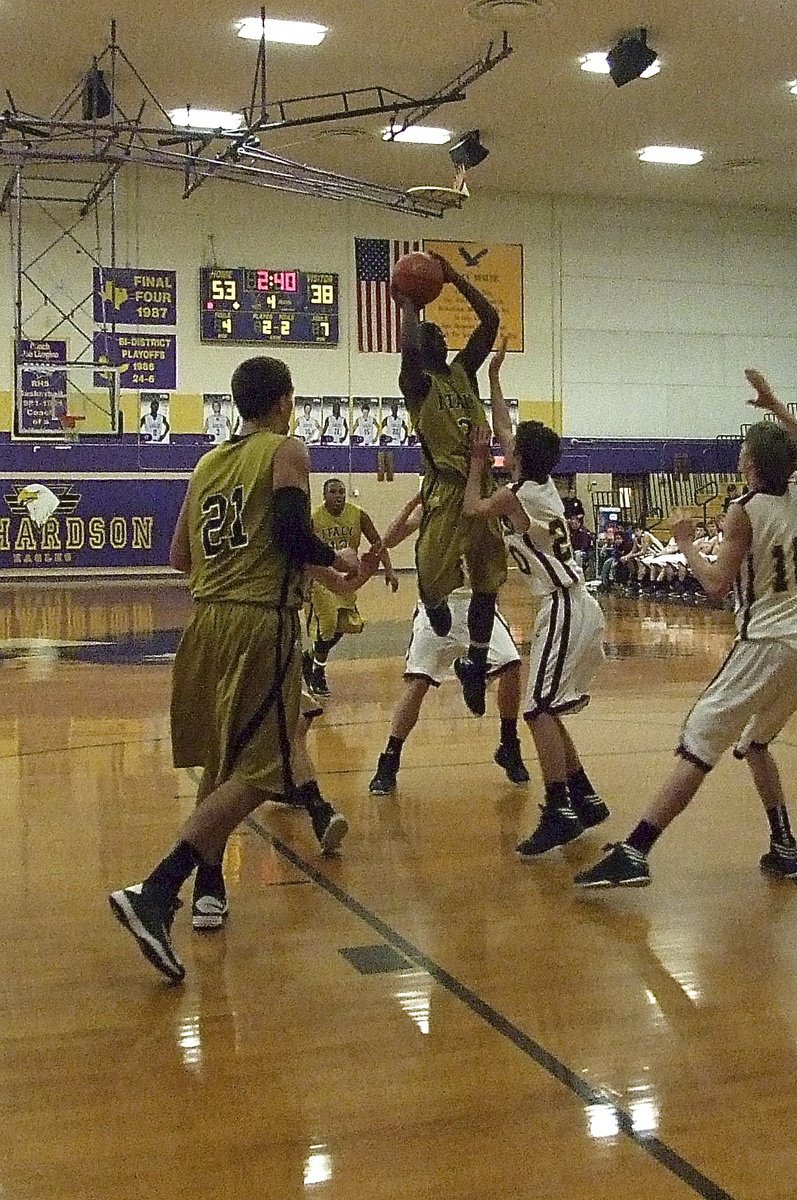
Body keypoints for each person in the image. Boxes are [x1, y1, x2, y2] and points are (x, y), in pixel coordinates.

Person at [108, 356, 378, 982]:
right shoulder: (288, 450)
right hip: (262, 625)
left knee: (227, 762)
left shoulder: (208, 464)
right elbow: (287, 531)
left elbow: (180, 556)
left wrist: (310, 574)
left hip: (206, 624)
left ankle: (205, 887)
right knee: (267, 768)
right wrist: (335, 558)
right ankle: (155, 891)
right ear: (283, 400)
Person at [574, 369, 797, 889]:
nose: (738, 459)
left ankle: (636, 851)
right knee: (756, 745)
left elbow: (714, 584)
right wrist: (776, 405)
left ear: (752, 464)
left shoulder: (745, 511)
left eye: (743, 454)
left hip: (765, 643)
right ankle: (784, 844)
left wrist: (686, 541)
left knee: (698, 742)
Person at [463, 414, 608, 858]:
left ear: (518, 458)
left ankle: (559, 809)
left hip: (563, 603)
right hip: (575, 603)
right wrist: (495, 377)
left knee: (538, 710)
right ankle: (583, 795)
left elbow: (471, 507)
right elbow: (509, 433)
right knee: (546, 709)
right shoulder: (542, 487)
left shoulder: (513, 496)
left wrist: (475, 461)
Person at [395, 265, 507, 718]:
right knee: (429, 573)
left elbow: (490, 323)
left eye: (439, 331)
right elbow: (406, 352)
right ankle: (434, 603)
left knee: (487, 583)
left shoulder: (463, 372)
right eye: (428, 334)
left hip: (481, 484)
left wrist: (454, 277)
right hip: (443, 489)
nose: (437, 334)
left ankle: (476, 662)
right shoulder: (417, 386)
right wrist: (408, 307)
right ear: (420, 349)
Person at [367, 492, 529, 794]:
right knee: (417, 682)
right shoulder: (432, 508)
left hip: (478, 605)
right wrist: (412, 502)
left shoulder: (485, 505)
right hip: (439, 604)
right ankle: (389, 760)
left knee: (512, 665)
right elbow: (390, 539)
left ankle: (509, 743)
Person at [303, 477, 397, 697]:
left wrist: (389, 571)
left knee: (346, 626)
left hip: (348, 579)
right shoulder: (314, 519)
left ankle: (310, 657)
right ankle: (318, 673)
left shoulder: (358, 514)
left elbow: (377, 543)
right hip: (322, 579)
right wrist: (304, 583)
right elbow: (304, 554)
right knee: (327, 624)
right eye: (333, 492)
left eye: (341, 492)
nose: (338, 496)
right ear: (324, 495)